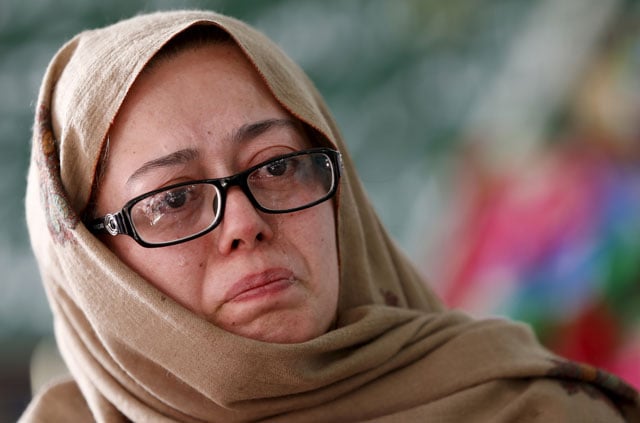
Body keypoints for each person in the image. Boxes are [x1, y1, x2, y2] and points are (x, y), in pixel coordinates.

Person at [20, 9, 640, 422]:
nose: (244, 225)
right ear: (93, 266)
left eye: (277, 166)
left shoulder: (532, 411)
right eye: (172, 200)